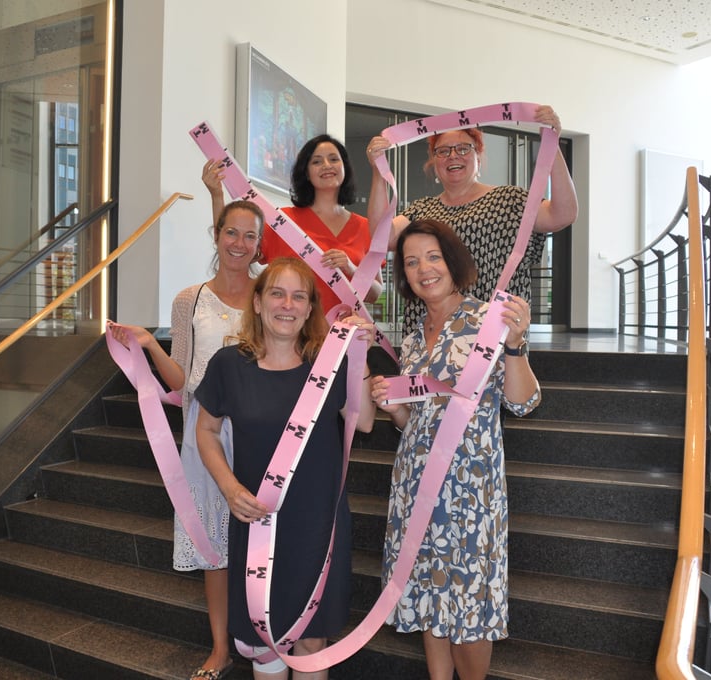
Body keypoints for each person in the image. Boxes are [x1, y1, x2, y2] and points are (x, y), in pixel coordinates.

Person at [368, 219, 541, 680]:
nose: (424, 269)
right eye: (411, 262)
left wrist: (517, 346)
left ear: (452, 260)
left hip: (469, 487)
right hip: (415, 481)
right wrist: (391, 408)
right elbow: (412, 421)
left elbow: (523, 403)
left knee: (468, 604)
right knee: (430, 591)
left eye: (432, 257)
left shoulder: (488, 320)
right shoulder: (411, 336)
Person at [194, 257, 377, 680]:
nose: (287, 305)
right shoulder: (228, 364)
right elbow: (206, 430)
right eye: (277, 293)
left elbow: (364, 420)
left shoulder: (327, 363)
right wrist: (228, 486)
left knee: (312, 641)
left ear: (311, 307)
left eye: (299, 296)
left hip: (317, 525)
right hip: (258, 521)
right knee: (262, 640)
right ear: (257, 303)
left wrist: (360, 359)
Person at [110, 199, 264, 680]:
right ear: (216, 234)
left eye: (250, 236)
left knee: (263, 534)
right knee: (213, 543)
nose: (239, 244)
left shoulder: (271, 294)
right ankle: (220, 647)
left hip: (261, 427)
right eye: (231, 233)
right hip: (206, 429)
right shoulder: (188, 300)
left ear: (260, 243)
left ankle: (265, 635)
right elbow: (180, 380)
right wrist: (150, 344)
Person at [365, 105, 578, 336]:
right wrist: (378, 172)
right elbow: (381, 236)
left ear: (478, 155)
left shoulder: (511, 200)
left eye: (463, 148)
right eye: (443, 151)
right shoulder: (421, 209)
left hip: (492, 336)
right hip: (429, 334)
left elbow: (563, 214)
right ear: (434, 162)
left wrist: (551, 146)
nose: (453, 155)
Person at [204, 133, 383, 317]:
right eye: (316, 162)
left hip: (343, 340)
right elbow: (233, 252)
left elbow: (375, 294)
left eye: (333, 159)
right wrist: (217, 196)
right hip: (286, 336)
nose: (327, 166)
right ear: (305, 172)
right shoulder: (281, 220)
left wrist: (351, 269)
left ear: (345, 167)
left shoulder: (366, 227)